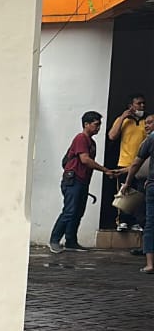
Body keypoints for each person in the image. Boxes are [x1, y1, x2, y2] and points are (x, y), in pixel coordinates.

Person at [50, 111, 115, 253]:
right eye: (96, 124)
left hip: (82, 181)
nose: (98, 128)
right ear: (86, 124)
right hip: (73, 180)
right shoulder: (81, 138)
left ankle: (71, 241)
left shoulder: (92, 143)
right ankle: (54, 240)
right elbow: (85, 160)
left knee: (78, 212)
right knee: (69, 211)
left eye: (99, 125)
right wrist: (105, 170)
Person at [120, 113, 154, 272]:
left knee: (150, 224)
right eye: (145, 123)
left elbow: (135, 164)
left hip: (152, 186)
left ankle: (150, 264)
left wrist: (127, 182)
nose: (147, 126)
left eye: (150, 123)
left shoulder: (150, 140)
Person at [107, 92, 146, 231]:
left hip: (141, 165)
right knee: (124, 192)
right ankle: (122, 221)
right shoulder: (123, 120)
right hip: (124, 162)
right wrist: (123, 116)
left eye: (143, 103)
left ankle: (135, 221)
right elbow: (112, 136)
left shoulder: (146, 122)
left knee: (138, 194)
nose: (142, 106)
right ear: (131, 106)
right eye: (138, 103)